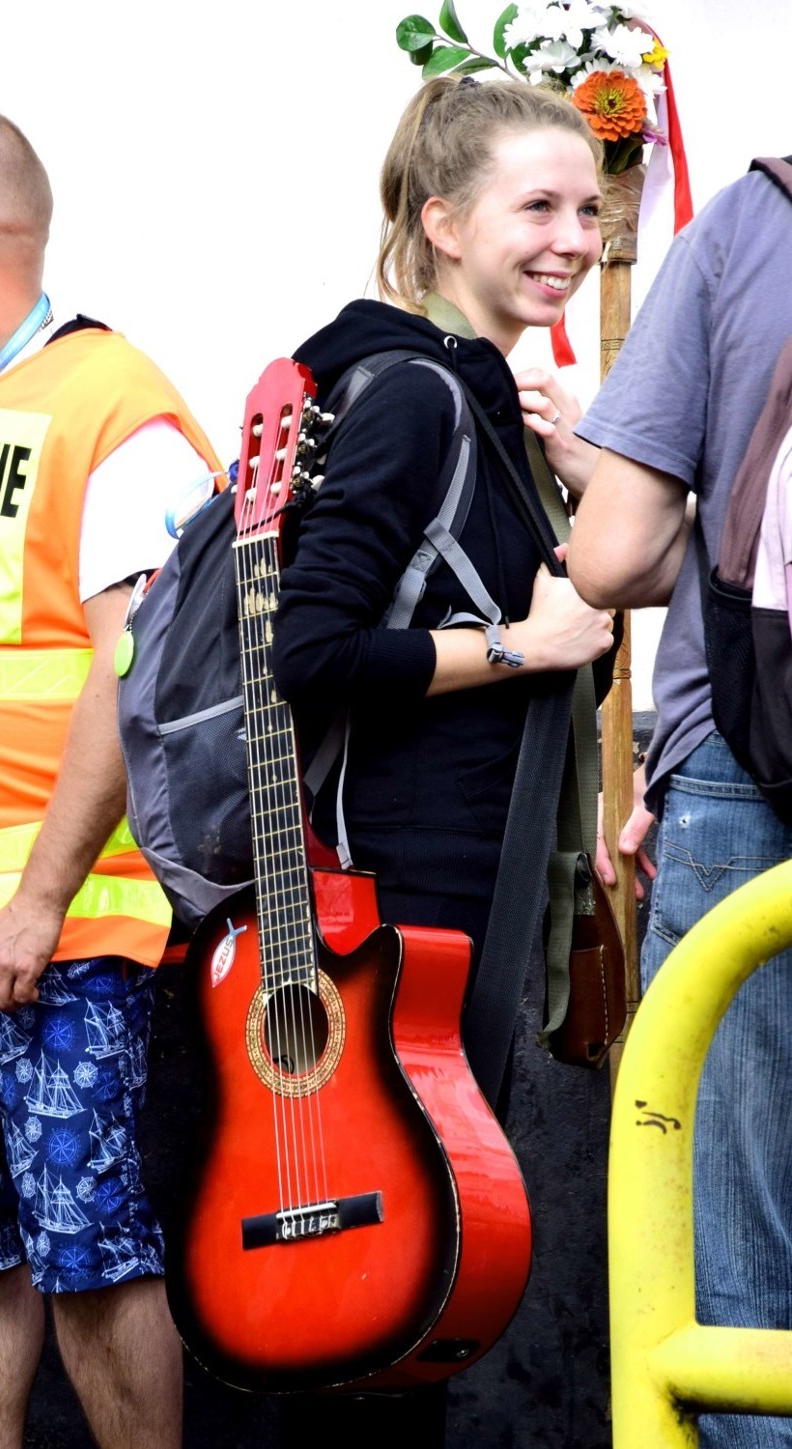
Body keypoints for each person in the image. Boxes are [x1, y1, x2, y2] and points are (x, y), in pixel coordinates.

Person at [270, 75, 614, 1445]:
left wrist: (590, 477)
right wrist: (522, 649)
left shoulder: (495, 405)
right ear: (443, 220)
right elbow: (311, 652)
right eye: (537, 205)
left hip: (471, 903)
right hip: (402, 910)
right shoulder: (412, 392)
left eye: (589, 207)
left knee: (424, 1303)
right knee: (381, 1295)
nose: (574, 237)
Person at [0, 104, 221, 1449]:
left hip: (66, 936)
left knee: (94, 1265)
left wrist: (38, 902)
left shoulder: (114, 406)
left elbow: (140, 680)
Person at [568, 158, 792, 1448]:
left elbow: (607, 557)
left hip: (749, 767)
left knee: (742, 1262)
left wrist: (721, 506)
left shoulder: (751, 220)